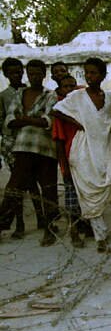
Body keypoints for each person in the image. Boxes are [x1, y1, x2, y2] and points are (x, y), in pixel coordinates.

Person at [53, 58, 111, 253]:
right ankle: (100, 237)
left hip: (106, 148)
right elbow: (56, 110)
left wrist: (109, 130)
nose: (89, 76)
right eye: (87, 73)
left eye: (94, 73)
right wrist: (78, 123)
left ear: (103, 75)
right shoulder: (77, 97)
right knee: (90, 194)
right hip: (85, 150)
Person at [0, 59, 58, 246]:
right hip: (23, 147)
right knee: (14, 187)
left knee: (48, 189)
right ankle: (3, 224)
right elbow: (10, 120)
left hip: (45, 148)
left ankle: (49, 229)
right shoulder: (19, 94)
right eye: (31, 74)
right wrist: (35, 119)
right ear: (28, 74)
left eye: (38, 73)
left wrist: (24, 119)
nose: (34, 77)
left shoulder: (50, 95)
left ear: (44, 74)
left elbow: (49, 121)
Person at [0, 57, 36, 239]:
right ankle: (19, 222)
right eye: (12, 72)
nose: (16, 75)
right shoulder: (4, 96)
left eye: (19, 71)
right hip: (11, 141)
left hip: (29, 139)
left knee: (32, 181)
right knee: (18, 182)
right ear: (5, 74)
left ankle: (42, 218)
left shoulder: (30, 92)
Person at [52, 74, 88, 248]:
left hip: (86, 160)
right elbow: (59, 142)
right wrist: (64, 167)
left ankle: (87, 227)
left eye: (72, 86)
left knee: (87, 196)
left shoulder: (82, 107)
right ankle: (73, 232)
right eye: (65, 87)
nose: (70, 90)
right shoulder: (60, 114)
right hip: (70, 160)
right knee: (72, 199)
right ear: (59, 90)